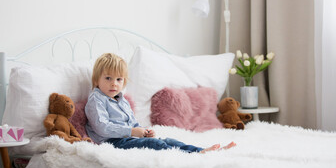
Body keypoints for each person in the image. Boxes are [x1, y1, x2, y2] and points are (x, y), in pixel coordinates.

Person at [85, 53, 236, 153]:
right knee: (155, 145)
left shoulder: (121, 99)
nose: (114, 84)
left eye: (119, 79)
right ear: (96, 80)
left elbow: (132, 123)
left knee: (167, 140)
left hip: (129, 137)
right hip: (112, 143)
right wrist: (132, 132)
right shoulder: (96, 99)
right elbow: (102, 127)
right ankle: (192, 155)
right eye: (108, 78)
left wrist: (143, 131)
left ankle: (200, 151)